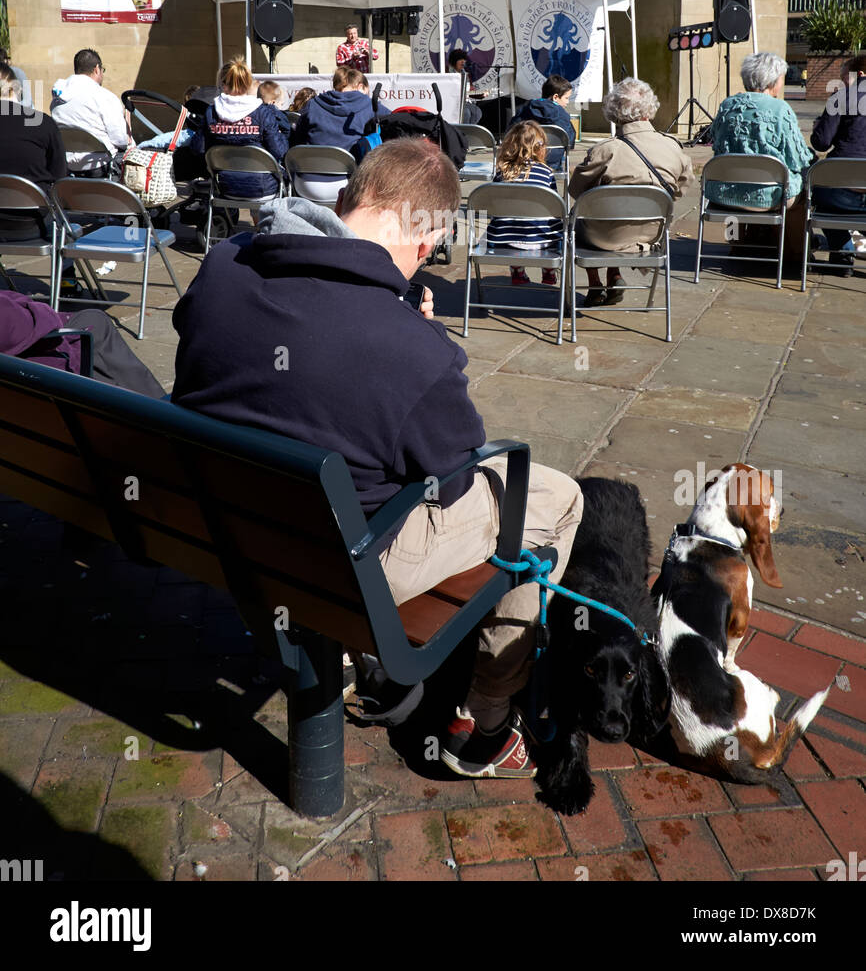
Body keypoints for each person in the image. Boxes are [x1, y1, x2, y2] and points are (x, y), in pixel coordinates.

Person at [172, 139, 582, 777]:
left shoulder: (222, 266)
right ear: (425, 242)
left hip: (223, 528)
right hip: (345, 567)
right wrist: (421, 332)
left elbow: (279, 355)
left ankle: (341, 659)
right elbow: (452, 476)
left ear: (344, 200)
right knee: (548, 497)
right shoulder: (411, 348)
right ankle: (486, 720)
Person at [568, 78, 693, 306]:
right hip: (650, 234)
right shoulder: (673, 146)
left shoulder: (605, 150)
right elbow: (681, 189)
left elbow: (576, 190)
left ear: (613, 111)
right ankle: (613, 275)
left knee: (582, 213)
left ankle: (595, 282)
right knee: (612, 210)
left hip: (603, 236)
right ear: (650, 108)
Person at [706, 52, 813, 258]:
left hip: (725, 191)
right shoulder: (781, 109)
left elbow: (716, 144)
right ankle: (798, 252)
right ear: (773, 80)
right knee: (801, 192)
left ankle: (737, 243)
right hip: (769, 195)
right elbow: (796, 158)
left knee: (736, 184)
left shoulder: (727, 105)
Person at [0, 289, 165, 399]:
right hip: (43, 379)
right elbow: (31, 323)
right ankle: (164, 414)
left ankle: (159, 408)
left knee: (92, 319)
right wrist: (31, 305)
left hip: (20, 376)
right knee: (97, 324)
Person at [192, 58, 288, 202]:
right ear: (249, 84)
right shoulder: (263, 112)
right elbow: (279, 151)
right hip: (263, 187)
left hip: (225, 186)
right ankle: (260, 222)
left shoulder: (211, 112)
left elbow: (198, 149)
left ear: (223, 85)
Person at [486, 121, 562, 287]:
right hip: (541, 239)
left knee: (508, 220)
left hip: (504, 239)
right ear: (540, 147)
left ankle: (517, 270)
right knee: (555, 220)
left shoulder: (501, 173)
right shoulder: (547, 172)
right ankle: (548, 270)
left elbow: (492, 204)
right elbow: (555, 206)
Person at [809, 54, 866, 272]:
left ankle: (843, 256)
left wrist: (818, 127)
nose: (842, 83)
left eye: (844, 78)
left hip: (840, 191)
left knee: (817, 196)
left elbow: (821, 143)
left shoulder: (842, 98)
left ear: (859, 74)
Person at [0, 64, 67, 245]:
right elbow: (60, 177)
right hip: (33, 223)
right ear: (15, 88)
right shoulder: (42, 123)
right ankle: (67, 272)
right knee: (64, 223)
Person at [49, 49, 128, 171]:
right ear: (97, 69)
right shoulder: (105, 97)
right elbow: (121, 140)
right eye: (103, 70)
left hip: (66, 165)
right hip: (100, 165)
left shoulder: (57, 98)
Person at [291, 66, 390, 160]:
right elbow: (395, 124)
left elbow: (298, 139)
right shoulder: (370, 105)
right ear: (360, 87)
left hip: (308, 171)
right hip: (352, 173)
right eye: (367, 91)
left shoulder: (312, 104)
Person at [512, 74, 577, 171]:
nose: (567, 102)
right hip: (550, 163)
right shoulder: (562, 115)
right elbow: (569, 141)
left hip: (522, 160)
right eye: (566, 98)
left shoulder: (525, 108)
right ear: (555, 97)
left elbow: (510, 131)